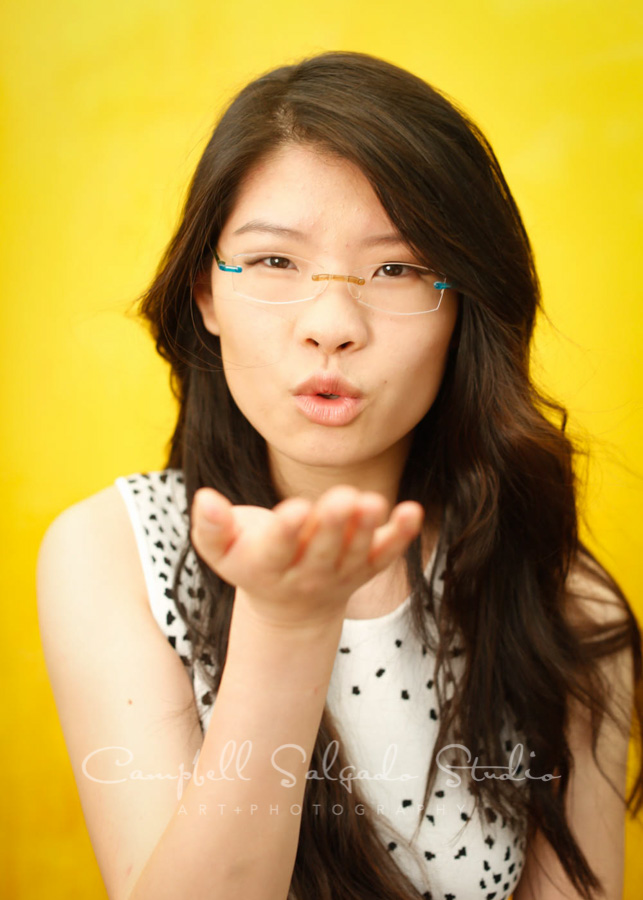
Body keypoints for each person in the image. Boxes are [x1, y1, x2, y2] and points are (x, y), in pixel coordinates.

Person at [36, 50, 643, 900]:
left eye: (395, 269)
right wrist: (287, 623)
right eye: (275, 262)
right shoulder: (113, 555)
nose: (331, 324)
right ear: (205, 293)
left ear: (463, 302)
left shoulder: (565, 606)